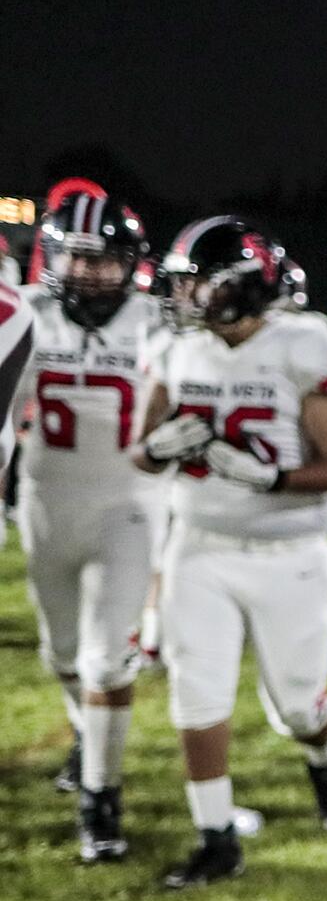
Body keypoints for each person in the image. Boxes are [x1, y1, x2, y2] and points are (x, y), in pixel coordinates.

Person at [134, 216, 327, 889]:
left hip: (287, 552)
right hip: (197, 547)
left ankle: (325, 755)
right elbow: (142, 455)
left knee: (294, 706)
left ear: (241, 286)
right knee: (196, 690)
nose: (184, 295)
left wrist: (271, 478)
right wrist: (157, 448)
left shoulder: (304, 346)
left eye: (198, 282)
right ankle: (216, 837)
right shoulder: (178, 351)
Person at [11, 193, 164, 859]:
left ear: (130, 264)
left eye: (103, 260)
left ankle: (100, 797)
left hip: (129, 505)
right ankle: (87, 735)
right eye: (76, 256)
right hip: (46, 501)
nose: (88, 271)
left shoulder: (162, 323)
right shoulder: (24, 316)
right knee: (62, 653)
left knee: (106, 658)